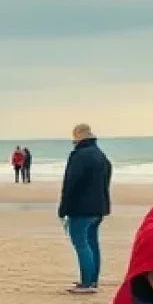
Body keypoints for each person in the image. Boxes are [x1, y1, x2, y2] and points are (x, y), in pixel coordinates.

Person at [59, 123, 112, 294]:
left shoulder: (79, 156)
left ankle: (86, 282)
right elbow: (106, 182)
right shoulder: (101, 156)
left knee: (81, 243)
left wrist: (63, 208)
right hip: (98, 208)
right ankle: (92, 280)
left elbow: (70, 183)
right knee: (92, 243)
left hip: (81, 208)